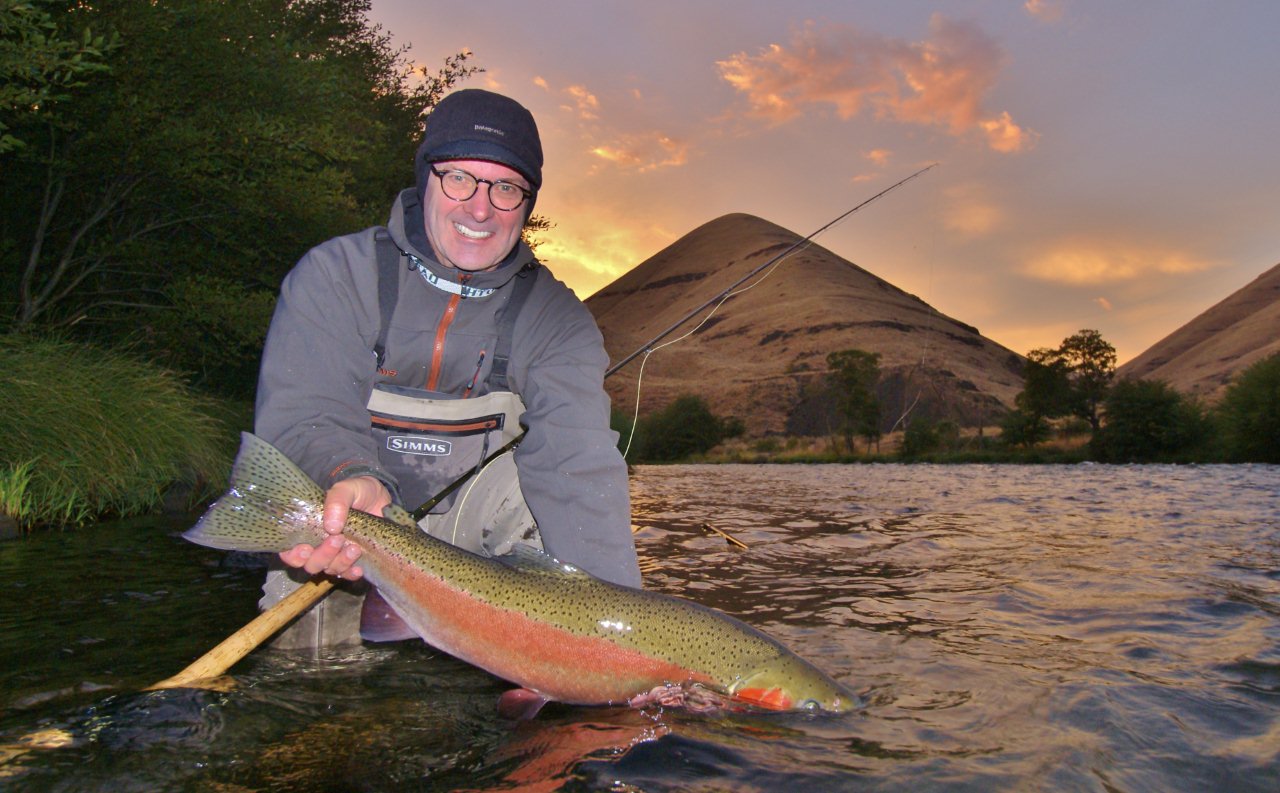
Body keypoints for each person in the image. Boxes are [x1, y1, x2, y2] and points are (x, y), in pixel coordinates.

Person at [254, 88, 641, 648]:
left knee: (545, 498)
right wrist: (341, 474)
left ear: (527, 203)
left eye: (506, 187)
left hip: (479, 550)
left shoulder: (558, 319)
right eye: (459, 177)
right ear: (424, 178)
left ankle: (535, 659)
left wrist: (620, 640)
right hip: (355, 519)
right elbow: (305, 412)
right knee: (310, 674)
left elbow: (577, 466)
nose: (480, 208)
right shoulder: (337, 274)